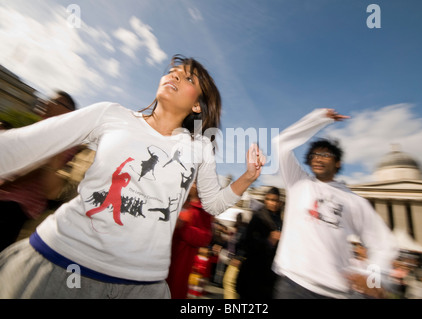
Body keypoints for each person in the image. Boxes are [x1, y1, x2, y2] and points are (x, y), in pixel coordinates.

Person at [0, 55, 265, 298]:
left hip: (142, 286)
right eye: (172, 71)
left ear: (197, 105)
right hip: (60, 262)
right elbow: (16, 148)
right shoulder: (111, 114)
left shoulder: (201, 148)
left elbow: (213, 204)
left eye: (187, 78)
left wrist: (249, 176)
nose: (173, 75)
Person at [272, 108, 398, 299]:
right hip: (292, 283)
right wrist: (319, 118)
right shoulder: (298, 182)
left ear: (337, 163)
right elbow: (280, 143)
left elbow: (382, 243)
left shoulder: (355, 201)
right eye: (314, 155)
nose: (318, 158)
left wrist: (373, 278)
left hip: (334, 291)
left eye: (325, 155)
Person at [0, 91, 77, 251]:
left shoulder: (65, 138)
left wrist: (6, 182)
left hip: (15, 204)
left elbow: (39, 168)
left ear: (67, 111)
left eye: (54, 101)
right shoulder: (40, 129)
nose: (46, 103)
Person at [166, 182, 214, 299]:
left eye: (196, 183)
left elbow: (205, 238)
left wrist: (183, 227)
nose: (192, 185)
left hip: (179, 264)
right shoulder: (170, 197)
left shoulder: (203, 210)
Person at [236, 187, 283, 299]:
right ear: (265, 200)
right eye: (269, 199)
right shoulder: (258, 217)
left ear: (279, 202)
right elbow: (246, 242)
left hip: (270, 274)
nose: (272, 203)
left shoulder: (280, 220)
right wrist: (268, 241)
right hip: (253, 271)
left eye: (275, 200)